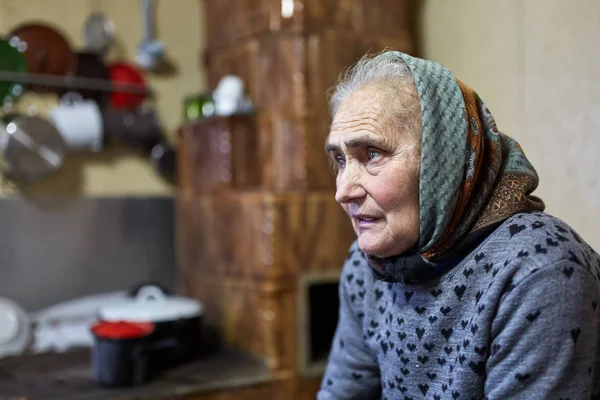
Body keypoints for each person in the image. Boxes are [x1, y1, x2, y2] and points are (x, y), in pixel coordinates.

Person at [318, 50, 600, 399]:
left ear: (443, 163)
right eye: (341, 159)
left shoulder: (539, 270)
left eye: (372, 153)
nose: (343, 191)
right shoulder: (366, 269)